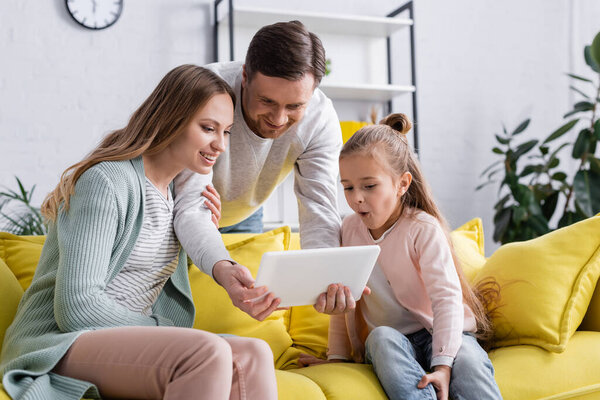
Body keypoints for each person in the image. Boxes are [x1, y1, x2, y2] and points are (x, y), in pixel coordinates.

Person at [0, 65, 278, 400]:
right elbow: (77, 306)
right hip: (59, 341)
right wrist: (167, 334)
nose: (220, 144)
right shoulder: (107, 182)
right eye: (208, 128)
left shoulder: (175, 198)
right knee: (206, 351)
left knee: (254, 354)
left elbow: (148, 273)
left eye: (227, 132)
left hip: (121, 341)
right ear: (172, 118)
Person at [300, 114, 502, 400]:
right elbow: (342, 300)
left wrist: (443, 364)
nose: (356, 197)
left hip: (440, 335)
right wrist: (336, 358)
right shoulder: (347, 230)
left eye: (369, 186)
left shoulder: (422, 228)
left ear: (402, 184)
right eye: (348, 187)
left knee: (468, 359)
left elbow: (446, 299)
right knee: (381, 337)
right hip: (393, 342)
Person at [174, 20, 354, 317]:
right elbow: (190, 204)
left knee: (238, 307)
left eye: (295, 106)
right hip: (180, 207)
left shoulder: (320, 119)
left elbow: (318, 208)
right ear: (245, 75)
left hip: (246, 208)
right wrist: (222, 264)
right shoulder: (205, 92)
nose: (279, 119)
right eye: (266, 101)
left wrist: (326, 278)